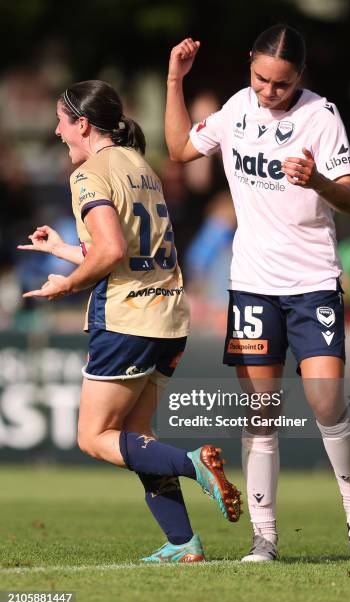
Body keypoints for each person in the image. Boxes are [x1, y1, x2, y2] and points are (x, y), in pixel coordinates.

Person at [165, 25, 350, 563]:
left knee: (326, 401)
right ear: (250, 67)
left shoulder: (321, 116)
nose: (268, 92)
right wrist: (175, 79)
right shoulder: (238, 108)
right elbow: (177, 148)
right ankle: (265, 538)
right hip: (253, 287)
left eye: (280, 84)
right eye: (261, 78)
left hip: (311, 284)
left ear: (299, 78)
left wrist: (319, 183)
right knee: (260, 412)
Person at [19, 79, 241, 563]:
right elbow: (124, 248)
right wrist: (63, 251)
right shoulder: (140, 165)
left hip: (127, 318)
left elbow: (113, 251)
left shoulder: (88, 175)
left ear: (82, 123)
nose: (57, 133)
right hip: (169, 317)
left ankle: (196, 467)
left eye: (61, 122)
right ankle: (184, 544)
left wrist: (68, 283)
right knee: (136, 438)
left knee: (93, 437)